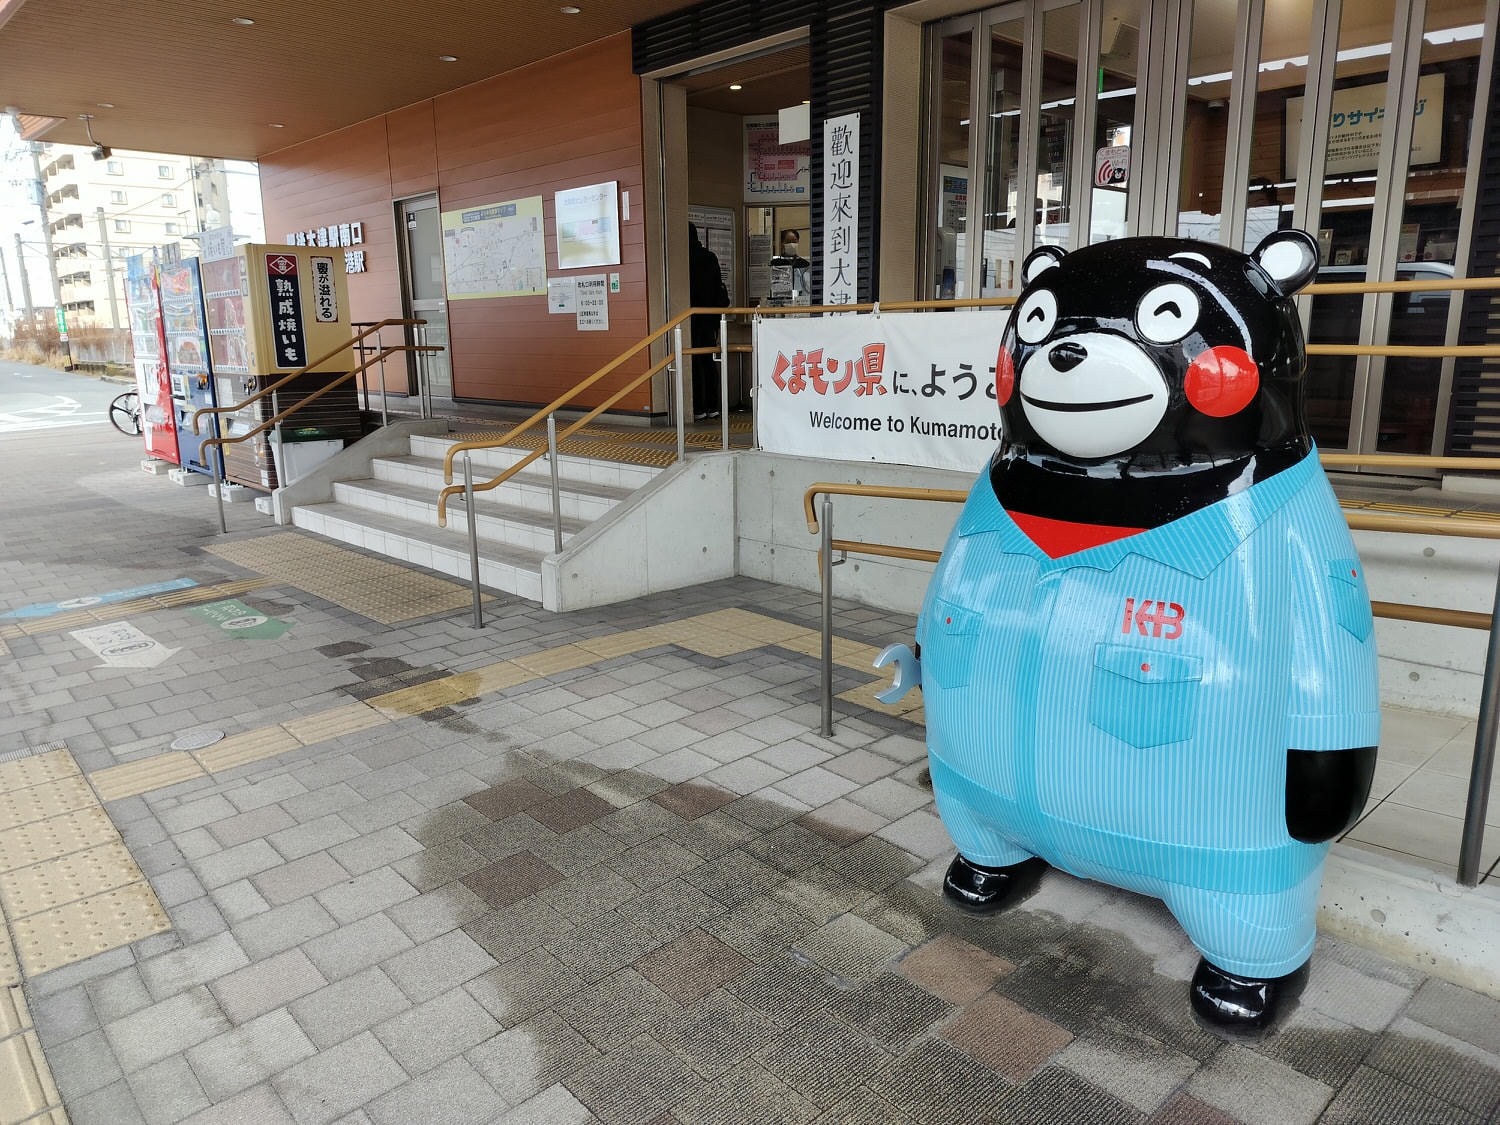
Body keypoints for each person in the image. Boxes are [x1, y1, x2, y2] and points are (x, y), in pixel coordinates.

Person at [688, 223, 729, 420]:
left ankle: (698, 408)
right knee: (709, 361)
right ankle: (713, 406)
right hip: (711, 319)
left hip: (692, 319)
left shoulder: (686, 258)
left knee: (695, 362)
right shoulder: (710, 257)